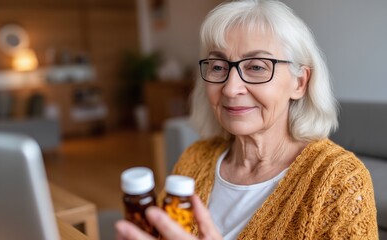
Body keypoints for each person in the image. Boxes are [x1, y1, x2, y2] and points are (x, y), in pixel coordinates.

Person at [115, 0, 378, 239]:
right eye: (218, 67)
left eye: (256, 67)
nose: (230, 89)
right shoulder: (195, 159)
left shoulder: (340, 181)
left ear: (300, 82)